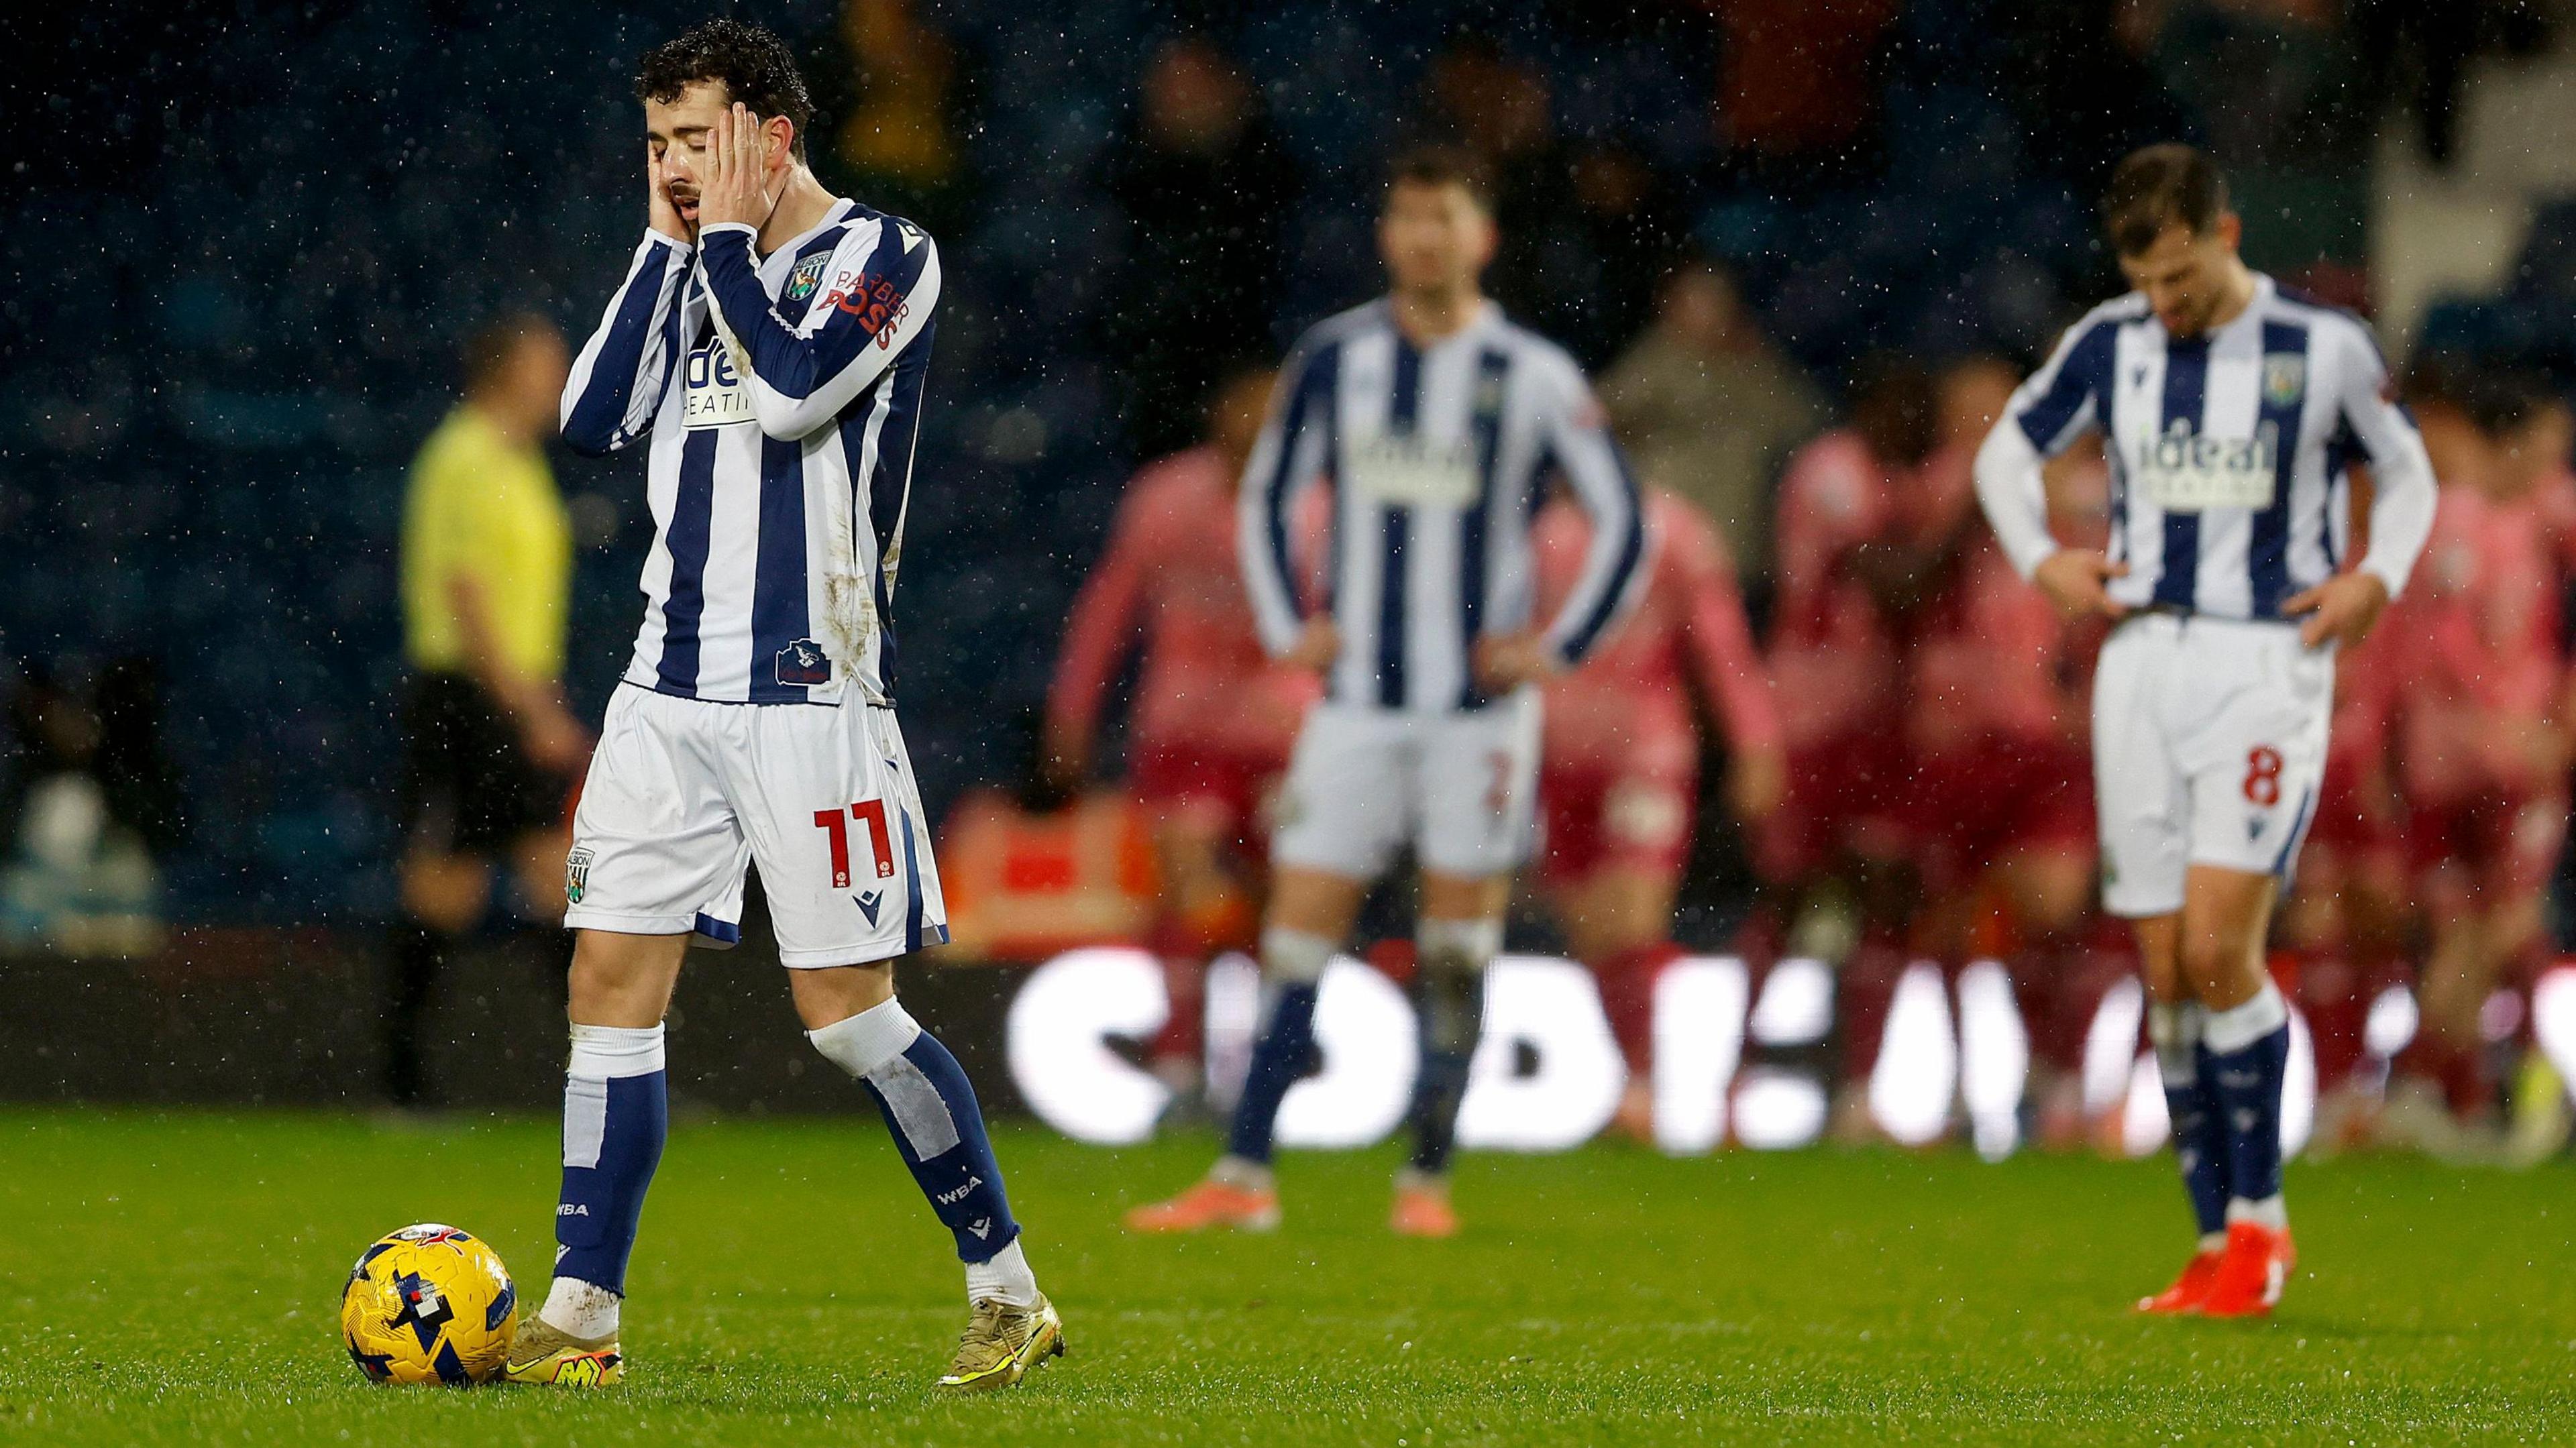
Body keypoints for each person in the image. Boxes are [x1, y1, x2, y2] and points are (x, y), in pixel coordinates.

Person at [511, 20, 1061, 1392]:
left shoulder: (887, 255)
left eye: (698, 142)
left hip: (807, 686)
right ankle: (583, 1314)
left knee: (845, 1010)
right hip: (664, 678)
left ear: (774, 137)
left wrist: (723, 253)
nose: (677, 167)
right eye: (657, 145)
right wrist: (664, 246)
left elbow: (794, 388)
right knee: (608, 980)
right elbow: (587, 420)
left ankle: (1007, 1286)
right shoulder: (690, 262)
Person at [1125, 146, 1647, 1239]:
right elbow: (1268, 491)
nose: (1424, 236)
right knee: (1297, 929)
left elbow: (1623, 519)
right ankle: (1245, 1171)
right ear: (1387, 233)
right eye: (1407, 215)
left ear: (1482, 235)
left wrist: (1558, 644)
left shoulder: (1533, 370)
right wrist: (1287, 627)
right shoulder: (1337, 356)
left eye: (1444, 215)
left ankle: (1426, 1179)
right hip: (1356, 704)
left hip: (1479, 716)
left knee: (1457, 943)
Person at [1975, 144, 2435, 1318]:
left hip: (2265, 662)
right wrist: (2046, 564)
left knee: (2227, 944)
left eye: (2183, 278)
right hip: (2139, 663)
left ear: (2225, 236)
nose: (2167, 306)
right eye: (2149, 284)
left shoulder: (2318, 349)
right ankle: (2212, 1240)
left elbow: (2410, 472)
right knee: (2169, 966)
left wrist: (2374, 575)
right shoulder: (2111, 342)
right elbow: (2003, 452)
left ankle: (2263, 1224)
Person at [1043, 366, 1316, 1109]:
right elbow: (1112, 605)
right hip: (1185, 725)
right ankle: (1180, 1060)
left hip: (1286, 733)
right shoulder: (1166, 496)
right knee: (1191, 887)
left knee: (1277, 902)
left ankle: (1258, 1062)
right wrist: (1074, 708)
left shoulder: (1326, 507)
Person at [1528, 485, 1782, 1138]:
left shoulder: (1674, 529)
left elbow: (1720, 647)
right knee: (1591, 934)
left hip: (1646, 749)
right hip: (1554, 754)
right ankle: (1637, 1078)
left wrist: (1754, 745)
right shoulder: (1528, 531)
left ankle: (1653, 1089)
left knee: (1633, 920)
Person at [2375, 373, 2573, 1152]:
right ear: (2511, 441)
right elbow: (2445, 645)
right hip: (2489, 761)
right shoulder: (2463, 519)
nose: (2558, 460)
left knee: (2477, 933)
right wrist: (2518, 725)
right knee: (2499, 925)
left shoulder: (2531, 512)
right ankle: (2454, 1083)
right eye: (2550, 444)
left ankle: (2444, 1088)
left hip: (2454, 760)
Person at [390, 313, 583, 1109]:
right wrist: (527, 708)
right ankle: (401, 1080)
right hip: (469, 699)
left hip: (512, 692)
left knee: (556, 877)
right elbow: (466, 596)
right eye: (548, 366)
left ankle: (609, 1076)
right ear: (505, 370)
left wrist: (541, 698)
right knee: (453, 884)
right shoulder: (463, 455)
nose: (560, 381)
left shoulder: (521, 463)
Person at [1600, 261, 1828, 581]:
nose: (1704, 311)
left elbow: (1811, 426)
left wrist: (1755, 360)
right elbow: (1597, 418)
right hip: (1666, 552)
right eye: (1693, 299)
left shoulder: (1757, 370)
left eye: (1714, 300)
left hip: (1735, 550)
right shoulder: (1655, 362)